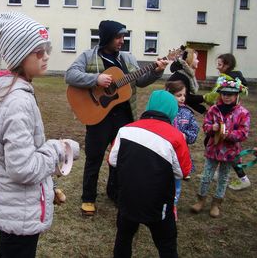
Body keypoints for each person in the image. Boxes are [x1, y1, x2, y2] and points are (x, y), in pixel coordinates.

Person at [0, 12, 80, 258]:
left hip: (16, 207)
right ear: (19, 56)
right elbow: (22, 168)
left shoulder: (17, 92)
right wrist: (60, 148)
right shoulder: (18, 101)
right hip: (18, 211)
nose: (45, 56)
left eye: (46, 49)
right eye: (38, 51)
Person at [65, 20, 168, 216]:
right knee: (94, 157)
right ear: (107, 38)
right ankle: (88, 198)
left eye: (123, 37)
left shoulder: (127, 59)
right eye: (118, 37)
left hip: (124, 116)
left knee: (121, 157)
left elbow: (141, 81)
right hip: (98, 115)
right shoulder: (89, 56)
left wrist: (157, 70)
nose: (122, 41)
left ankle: (115, 192)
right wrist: (95, 79)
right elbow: (70, 75)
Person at [108, 90, 192, 258]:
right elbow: (184, 171)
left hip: (127, 199)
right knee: (166, 245)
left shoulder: (125, 130)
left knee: (123, 238)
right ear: (172, 111)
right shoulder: (175, 137)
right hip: (158, 204)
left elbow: (112, 160)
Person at [190, 78, 250, 218]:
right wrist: (212, 128)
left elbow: (244, 133)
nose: (227, 97)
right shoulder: (213, 109)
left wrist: (228, 134)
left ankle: (216, 203)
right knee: (206, 176)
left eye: (230, 94)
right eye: (224, 94)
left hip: (229, 152)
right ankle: (201, 200)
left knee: (223, 178)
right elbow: (205, 126)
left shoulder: (243, 113)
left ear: (237, 95)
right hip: (213, 149)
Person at [202, 53, 250, 191]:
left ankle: (242, 178)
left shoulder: (224, 79)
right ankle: (219, 173)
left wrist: (203, 97)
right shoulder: (236, 78)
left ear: (227, 65)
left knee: (220, 146)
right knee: (227, 149)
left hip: (222, 115)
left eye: (219, 64)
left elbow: (214, 95)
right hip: (230, 116)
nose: (217, 67)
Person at [165, 80, 199, 221]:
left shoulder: (187, 113)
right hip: (164, 154)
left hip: (179, 156)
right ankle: (161, 204)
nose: (183, 98)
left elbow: (194, 132)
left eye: (183, 95)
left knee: (176, 183)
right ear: (169, 95)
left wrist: (186, 136)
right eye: (178, 95)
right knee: (162, 181)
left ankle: (173, 206)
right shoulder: (163, 112)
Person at [167, 46, 206, 114]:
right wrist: (204, 98)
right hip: (172, 111)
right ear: (189, 60)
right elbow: (186, 98)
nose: (198, 61)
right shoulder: (181, 77)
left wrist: (203, 110)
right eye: (196, 59)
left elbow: (186, 99)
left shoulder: (185, 74)